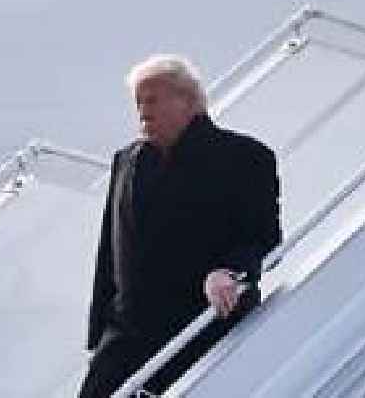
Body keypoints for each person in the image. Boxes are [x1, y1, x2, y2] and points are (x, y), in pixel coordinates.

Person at [79, 54, 281, 397]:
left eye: (152, 100)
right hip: (126, 336)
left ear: (187, 100)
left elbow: (263, 236)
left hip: (203, 327)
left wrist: (230, 272)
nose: (142, 111)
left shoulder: (245, 157)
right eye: (138, 102)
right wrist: (98, 336)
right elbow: (108, 253)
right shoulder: (125, 161)